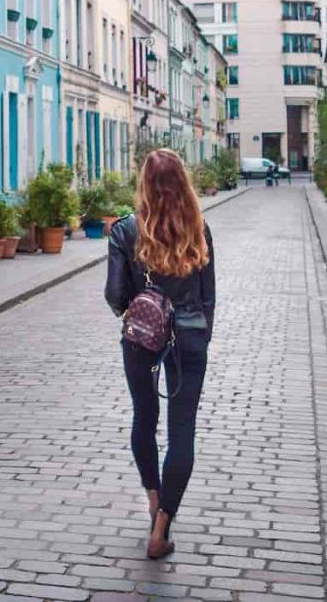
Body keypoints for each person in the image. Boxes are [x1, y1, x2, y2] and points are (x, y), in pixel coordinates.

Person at [105, 149, 216, 559]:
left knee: (144, 419)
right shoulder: (200, 229)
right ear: (183, 184)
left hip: (142, 338)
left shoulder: (124, 231)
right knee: (181, 430)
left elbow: (115, 296)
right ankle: (162, 526)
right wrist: (198, 341)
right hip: (190, 337)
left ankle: (153, 499)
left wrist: (138, 309)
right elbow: (208, 299)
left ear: (144, 187)